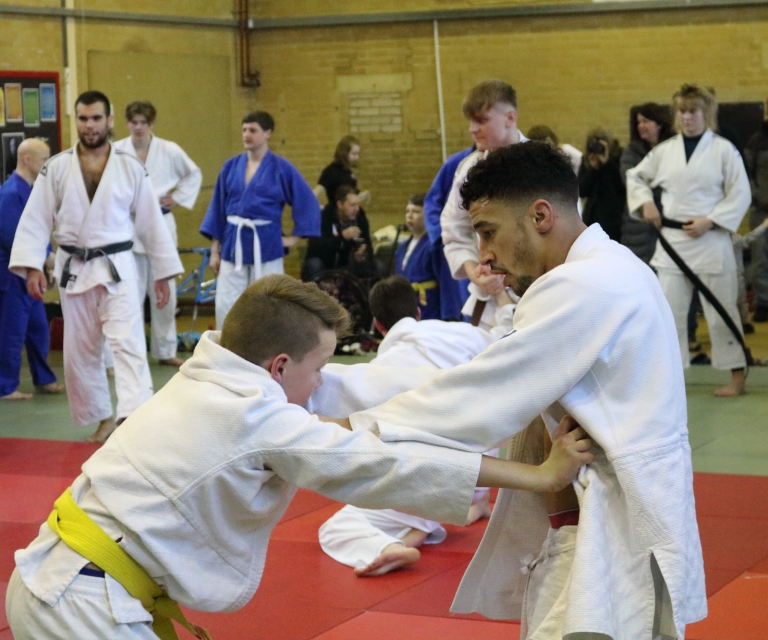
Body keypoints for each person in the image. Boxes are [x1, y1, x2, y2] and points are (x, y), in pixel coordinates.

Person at [6, 274, 594, 640]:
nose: (320, 383)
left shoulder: (208, 370)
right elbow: (382, 464)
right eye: (315, 369)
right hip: (83, 607)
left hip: (56, 582)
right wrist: (539, 476)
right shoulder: (258, 421)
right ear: (279, 366)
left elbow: (347, 405)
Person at [340, 143, 705, 639]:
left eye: (488, 232)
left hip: (611, 529)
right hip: (621, 516)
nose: (483, 255)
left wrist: (348, 430)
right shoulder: (613, 266)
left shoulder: (584, 286)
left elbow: (474, 398)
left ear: (539, 215)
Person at [9, 91, 182, 443]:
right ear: (77, 120)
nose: (90, 126)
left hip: (118, 267)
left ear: (109, 119)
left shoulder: (130, 166)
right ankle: (102, 417)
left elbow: (151, 222)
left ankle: (132, 418)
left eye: (96, 118)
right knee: (80, 353)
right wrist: (32, 266)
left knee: (128, 344)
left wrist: (163, 272)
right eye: (83, 119)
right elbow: (36, 219)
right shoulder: (56, 167)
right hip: (75, 268)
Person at [318, 275, 514, 577]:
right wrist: (500, 296)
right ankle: (456, 514)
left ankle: (390, 545)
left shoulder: (379, 370)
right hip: (487, 464)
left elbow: (366, 435)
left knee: (337, 527)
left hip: (441, 477)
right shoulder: (460, 332)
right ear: (418, 312)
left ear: (378, 325)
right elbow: (510, 336)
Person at [627, 84, 751, 397]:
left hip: (710, 240)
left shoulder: (724, 150)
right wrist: (646, 203)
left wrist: (711, 220)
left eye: (693, 111)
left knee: (722, 311)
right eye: (681, 111)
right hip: (673, 242)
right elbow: (635, 176)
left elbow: (741, 192)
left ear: (706, 113)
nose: (686, 117)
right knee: (668, 313)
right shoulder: (664, 151)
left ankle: (737, 378)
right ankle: (669, 378)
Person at [200, 111, 320, 329]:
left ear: (267, 134)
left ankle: (265, 354)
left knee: (268, 301)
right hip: (233, 242)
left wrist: (293, 238)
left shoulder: (282, 168)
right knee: (226, 303)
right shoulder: (230, 166)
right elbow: (218, 208)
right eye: (244, 130)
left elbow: (307, 201)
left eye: (252, 130)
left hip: (266, 242)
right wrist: (215, 250)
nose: (246, 134)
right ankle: (227, 352)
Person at [113, 100, 202, 367]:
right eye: (134, 122)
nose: (138, 127)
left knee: (166, 290)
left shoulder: (169, 150)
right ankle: (131, 351)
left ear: (152, 124)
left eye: (143, 122)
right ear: (127, 123)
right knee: (130, 291)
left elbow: (193, 174)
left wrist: (177, 198)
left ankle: (165, 350)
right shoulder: (116, 151)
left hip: (161, 224)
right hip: (128, 225)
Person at [441, 80, 527, 329]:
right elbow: (453, 230)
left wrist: (512, 275)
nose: (472, 129)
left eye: (481, 121)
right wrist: (474, 272)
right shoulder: (469, 169)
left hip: (536, 295)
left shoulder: (544, 164)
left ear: (510, 118)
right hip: (489, 301)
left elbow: (563, 234)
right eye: (471, 121)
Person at [0, 138, 64, 400]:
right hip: (12, 273)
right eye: (43, 159)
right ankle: (5, 386)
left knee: (38, 327)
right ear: (26, 159)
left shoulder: (30, 190)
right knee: (11, 331)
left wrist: (47, 257)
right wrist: (48, 258)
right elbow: (14, 236)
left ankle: (43, 378)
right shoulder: (10, 192)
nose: (47, 165)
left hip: (30, 272)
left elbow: (36, 230)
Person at [619, 103, 674, 264]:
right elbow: (628, 178)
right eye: (638, 122)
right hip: (636, 228)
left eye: (645, 121)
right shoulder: (631, 151)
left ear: (659, 124)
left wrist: (646, 187)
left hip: (666, 221)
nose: (640, 126)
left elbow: (675, 182)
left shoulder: (672, 150)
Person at [394, 194, 463, 320]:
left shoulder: (436, 246)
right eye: (407, 211)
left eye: (416, 211)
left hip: (430, 309)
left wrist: (450, 317)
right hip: (407, 310)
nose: (410, 215)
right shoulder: (401, 249)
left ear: (428, 215)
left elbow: (447, 282)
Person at [302, 185, 381, 280]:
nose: (357, 209)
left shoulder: (360, 218)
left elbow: (368, 245)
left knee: (379, 267)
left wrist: (363, 254)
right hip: (326, 264)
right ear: (340, 204)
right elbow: (315, 248)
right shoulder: (323, 217)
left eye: (358, 204)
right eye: (352, 205)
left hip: (349, 264)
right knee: (313, 264)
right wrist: (342, 237)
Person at [578, 126, 625, 242]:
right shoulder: (587, 160)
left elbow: (620, 187)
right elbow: (581, 191)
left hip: (614, 219)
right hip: (592, 218)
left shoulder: (619, 157)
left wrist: (606, 163)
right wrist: (593, 169)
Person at [744, 114, 768, 322]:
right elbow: (746, 175)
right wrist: (755, 197)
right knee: (760, 258)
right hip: (761, 208)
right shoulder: (755, 143)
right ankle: (763, 303)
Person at [314, 134, 370, 206]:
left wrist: (361, 195)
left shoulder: (348, 171)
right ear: (344, 153)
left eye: (358, 154)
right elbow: (315, 193)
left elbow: (349, 196)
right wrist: (321, 208)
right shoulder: (330, 171)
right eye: (354, 154)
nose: (357, 158)